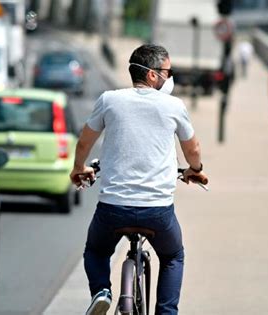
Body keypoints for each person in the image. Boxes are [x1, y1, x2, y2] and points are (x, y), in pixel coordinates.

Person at [69, 44, 208, 315]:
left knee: (96, 251)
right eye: (168, 71)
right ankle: (166, 312)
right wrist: (196, 169)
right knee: (172, 256)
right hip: (158, 212)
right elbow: (192, 149)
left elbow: (85, 141)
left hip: (112, 209)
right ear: (153, 75)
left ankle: (101, 291)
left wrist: (78, 167)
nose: (170, 77)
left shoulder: (109, 99)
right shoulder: (174, 105)